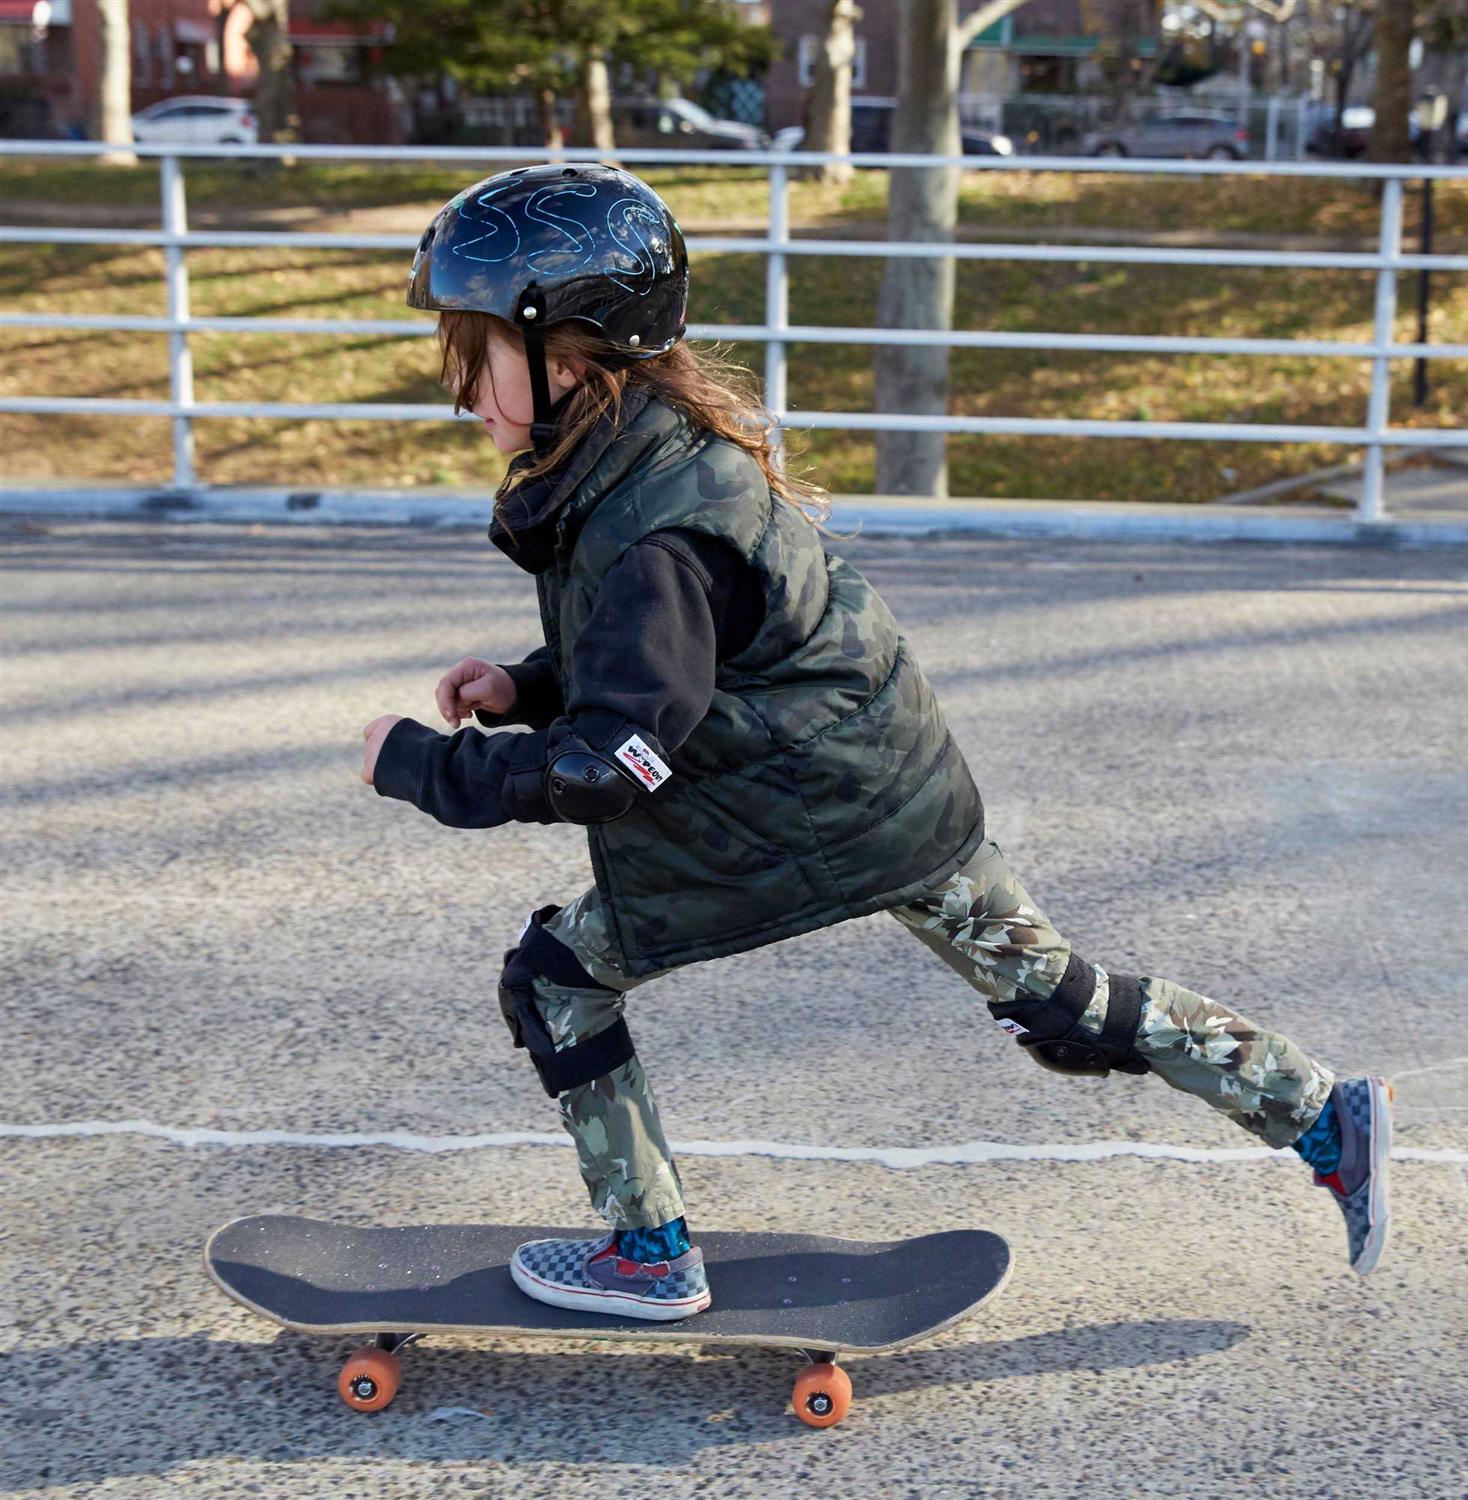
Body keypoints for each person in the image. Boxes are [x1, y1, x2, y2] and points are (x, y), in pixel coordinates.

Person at [360, 164, 1392, 1321]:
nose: (462, 393)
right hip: (874, 783)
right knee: (1055, 1004)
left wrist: (421, 766)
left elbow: (618, 760)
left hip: (805, 809)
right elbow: (680, 658)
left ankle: (650, 1257)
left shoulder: (650, 517)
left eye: (475, 354)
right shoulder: (645, 457)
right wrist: (527, 682)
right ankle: (1316, 1108)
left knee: (556, 981)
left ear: (572, 353)